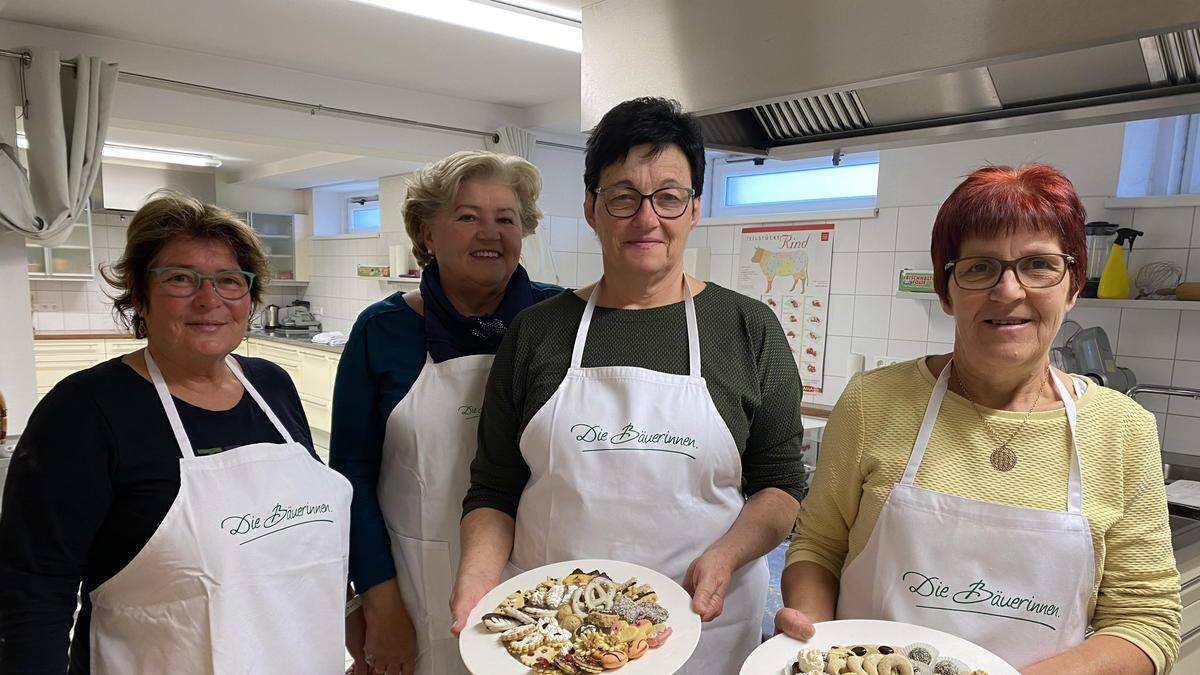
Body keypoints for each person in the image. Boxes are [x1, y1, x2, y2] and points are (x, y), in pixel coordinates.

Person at [777, 164, 1181, 674]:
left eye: (1038, 266)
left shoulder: (1122, 430)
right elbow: (818, 544)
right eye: (979, 267)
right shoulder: (873, 401)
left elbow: (1146, 620)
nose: (1009, 291)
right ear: (947, 292)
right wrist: (814, 649)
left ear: (1073, 286)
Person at [450, 97, 807, 674]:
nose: (647, 219)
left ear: (693, 209)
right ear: (591, 208)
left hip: (698, 628)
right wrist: (476, 586)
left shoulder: (746, 327)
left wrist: (725, 557)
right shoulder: (538, 332)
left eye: (668, 197)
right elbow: (493, 487)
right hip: (554, 636)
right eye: (623, 197)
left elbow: (782, 485)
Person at [0, 192, 351, 674]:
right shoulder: (84, 410)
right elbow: (33, 590)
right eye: (181, 279)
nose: (209, 300)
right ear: (139, 294)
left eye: (229, 280)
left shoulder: (272, 386)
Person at [330, 150, 561, 675]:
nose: (490, 232)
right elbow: (351, 476)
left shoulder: (561, 320)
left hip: (541, 576)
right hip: (417, 581)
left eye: (506, 218)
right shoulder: (382, 330)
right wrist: (379, 604)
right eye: (466, 216)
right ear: (427, 234)